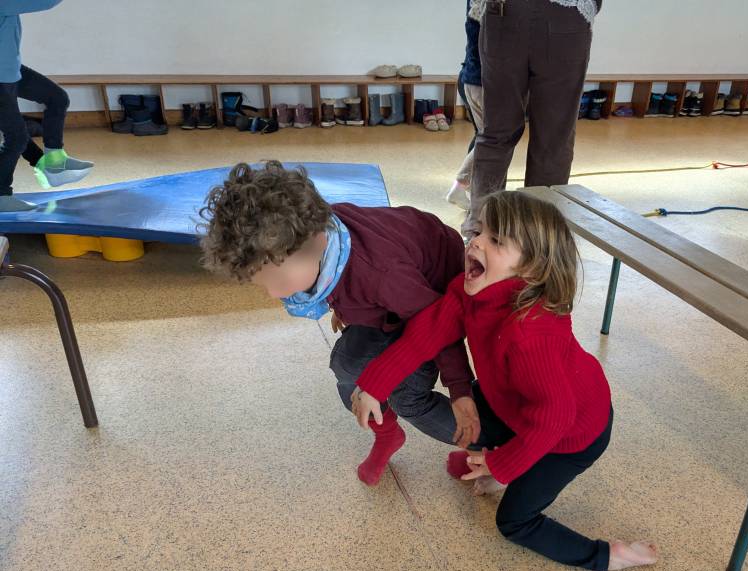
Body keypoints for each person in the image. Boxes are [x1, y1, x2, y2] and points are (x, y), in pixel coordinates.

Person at [353, 191, 657, 571]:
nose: (476, 242)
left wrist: (502, 466)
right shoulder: (469, 291)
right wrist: (375, 385)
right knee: (472, 427)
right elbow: (425, 334)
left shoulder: (531, 334)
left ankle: (607, 557)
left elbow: (554, 418)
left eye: (496, 241)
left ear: (531, 270)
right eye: (480, 231)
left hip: (573, 435)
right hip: (519, 405)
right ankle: (506, 456)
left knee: (513, 522)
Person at [199, 161, 480, 486]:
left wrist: (461, 390)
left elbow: (439, 324)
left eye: (274, 279)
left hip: (435, 298)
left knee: (409, 398)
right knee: (345, 365)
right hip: (391, 303)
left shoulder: (379, 274)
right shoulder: (316, 232)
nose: (272, 293)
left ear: (317, 244)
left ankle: (491, 449)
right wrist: (343, 303)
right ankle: (388, 435)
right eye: (260, 283)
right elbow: (341, 279)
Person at [467, 0, 602, 229]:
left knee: (495, 134)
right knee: (553, 139)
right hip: (565, 14)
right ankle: (537, 234)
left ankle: (481, 229)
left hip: (503, 13)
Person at [0, 0, 94, 212]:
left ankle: (54, 161)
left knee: (57, 98)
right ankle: (1, 194)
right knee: (16, 138)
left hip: (10, 69)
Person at [446, 0, 484, 211]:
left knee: (484, 136)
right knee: (493, 141)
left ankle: (466, 188)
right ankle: (461, 187)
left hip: (471, 78)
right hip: (481, 82)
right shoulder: (489, 6)